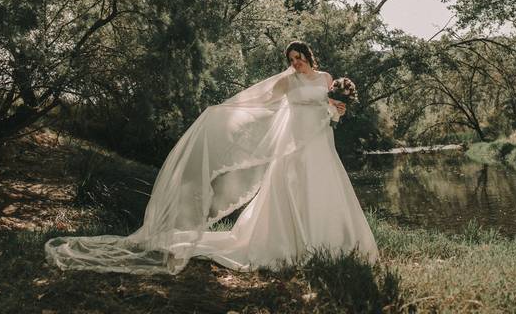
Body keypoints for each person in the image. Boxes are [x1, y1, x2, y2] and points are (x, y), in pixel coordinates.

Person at [44, 40, 378, 274]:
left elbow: (330, 107)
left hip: (320, 139)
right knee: (291, 187)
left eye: (298, 58)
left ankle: (333, 243)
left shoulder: (325, 79)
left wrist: (337, 109)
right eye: (290, 59)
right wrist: (225, 111)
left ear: (308, 56)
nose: (295, 64)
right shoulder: (286, 83)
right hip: (293, 142)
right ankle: (291, 245)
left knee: (324, 186)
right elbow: (261, 105)